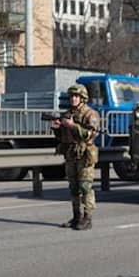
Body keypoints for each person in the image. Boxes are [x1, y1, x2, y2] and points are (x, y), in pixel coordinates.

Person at [51, 84, 100, 231]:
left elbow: (90, 134)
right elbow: (63, 138)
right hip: (71, 153)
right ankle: (76, 216)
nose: (73, 99)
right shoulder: (67, 114)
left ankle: (87, 218)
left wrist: (72, 126)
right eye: (71, 96)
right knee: (73, 187)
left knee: (85, 186)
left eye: (76, 96)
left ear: (83, 98)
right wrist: (57, 129)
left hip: (85, 154)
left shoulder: (90, 114)